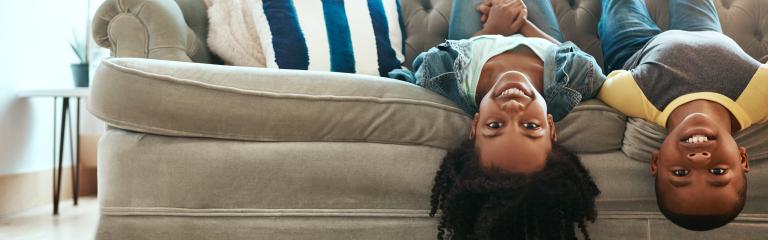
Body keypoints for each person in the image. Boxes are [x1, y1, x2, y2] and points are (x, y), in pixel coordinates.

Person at [387, 0, 603, 239]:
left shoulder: (445, 75)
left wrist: (493, 28)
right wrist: (522, 22)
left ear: (475, 126)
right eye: (530, 126)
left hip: (477, 36)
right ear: (551, 127)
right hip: (537, 35)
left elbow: (422, 64)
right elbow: (578, 58)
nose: (512, 108)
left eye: (495, 125)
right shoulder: (574, 84)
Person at [597, 0, 767, 231]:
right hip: (704, 31)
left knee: (620, 6)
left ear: (656, 161)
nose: (698, 159)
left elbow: (604, 84)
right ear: (742, 159)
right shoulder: (760, 97)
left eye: (680, 173)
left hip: (636, 47)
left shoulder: (638, 97)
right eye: (717, 172)